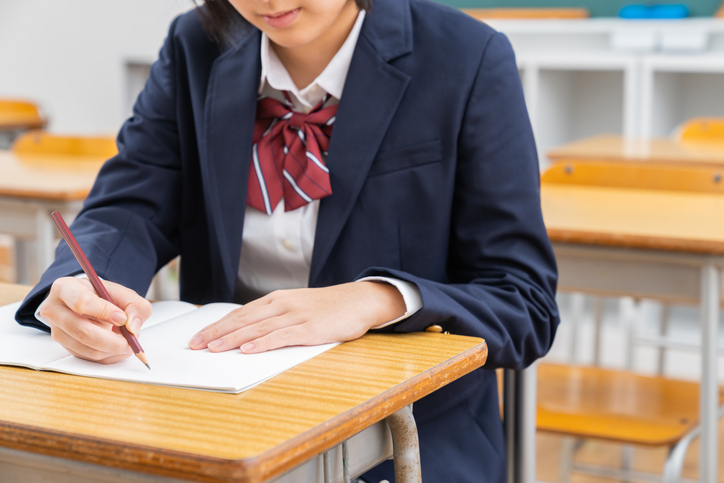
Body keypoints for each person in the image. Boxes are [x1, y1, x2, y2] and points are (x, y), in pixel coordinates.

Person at [15, 0, 560, 481]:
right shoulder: (195, 46)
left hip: (402, 437)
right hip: (222, 418)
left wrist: (377, 298)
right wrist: (81, 287)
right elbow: (130, 205)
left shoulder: (465, 56)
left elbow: (523, 301)